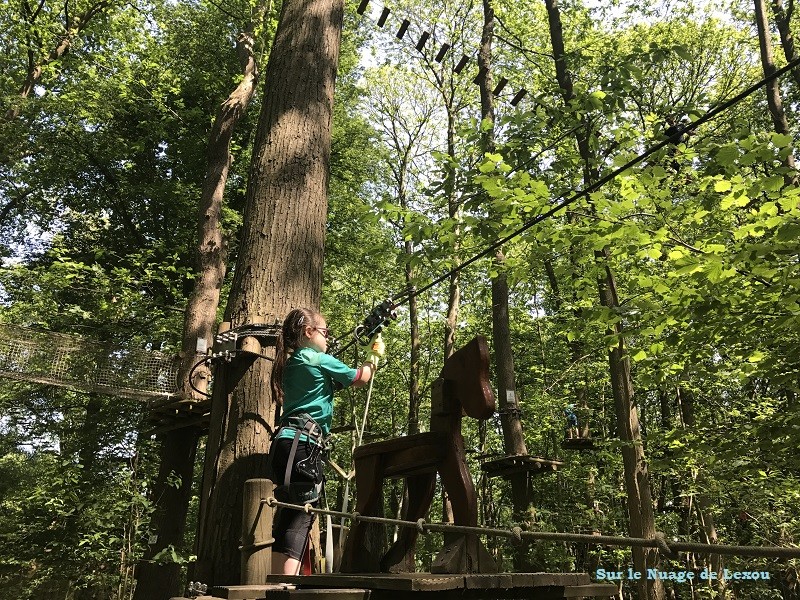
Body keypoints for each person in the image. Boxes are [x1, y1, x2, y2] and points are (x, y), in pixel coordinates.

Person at [268, 307, 383, 576]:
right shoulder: (317, 358)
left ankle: (274, 582)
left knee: (288, 514)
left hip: (286, 446)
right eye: (325, 332)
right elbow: (359, 378)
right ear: (309, 332)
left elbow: (330, 386)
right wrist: (373, 355)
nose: (329, 338)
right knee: (302, 516)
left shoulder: (295, 362)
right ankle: (283, 586)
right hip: (303, 445)